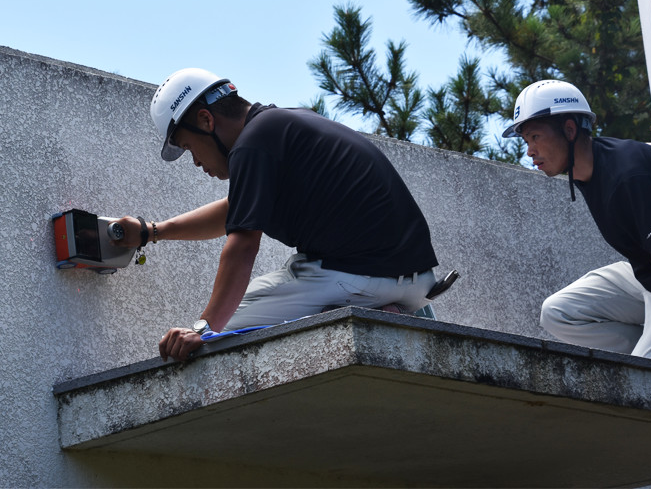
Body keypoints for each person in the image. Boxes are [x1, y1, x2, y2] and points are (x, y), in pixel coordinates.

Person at [114, 67, 439, 362]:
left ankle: (358, 312)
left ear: (206, 121)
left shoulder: (251, 146)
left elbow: (242, 246)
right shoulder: (280, 126)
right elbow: (233, 211)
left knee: (219, 341)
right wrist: (151, 231)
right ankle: (383, 312)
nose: (196, 162)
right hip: (417, 282)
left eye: (189, 148)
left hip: (359, 277)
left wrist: (202, 330)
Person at [502, 79, 651, 362]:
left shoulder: (628, 177)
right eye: (525, 141)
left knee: (644, 379)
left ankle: (648, 359)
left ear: (569, 130)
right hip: (649, 274)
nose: (529, 151)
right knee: (557, 313)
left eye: (535, 137)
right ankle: (641, 350)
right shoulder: (592, 162)